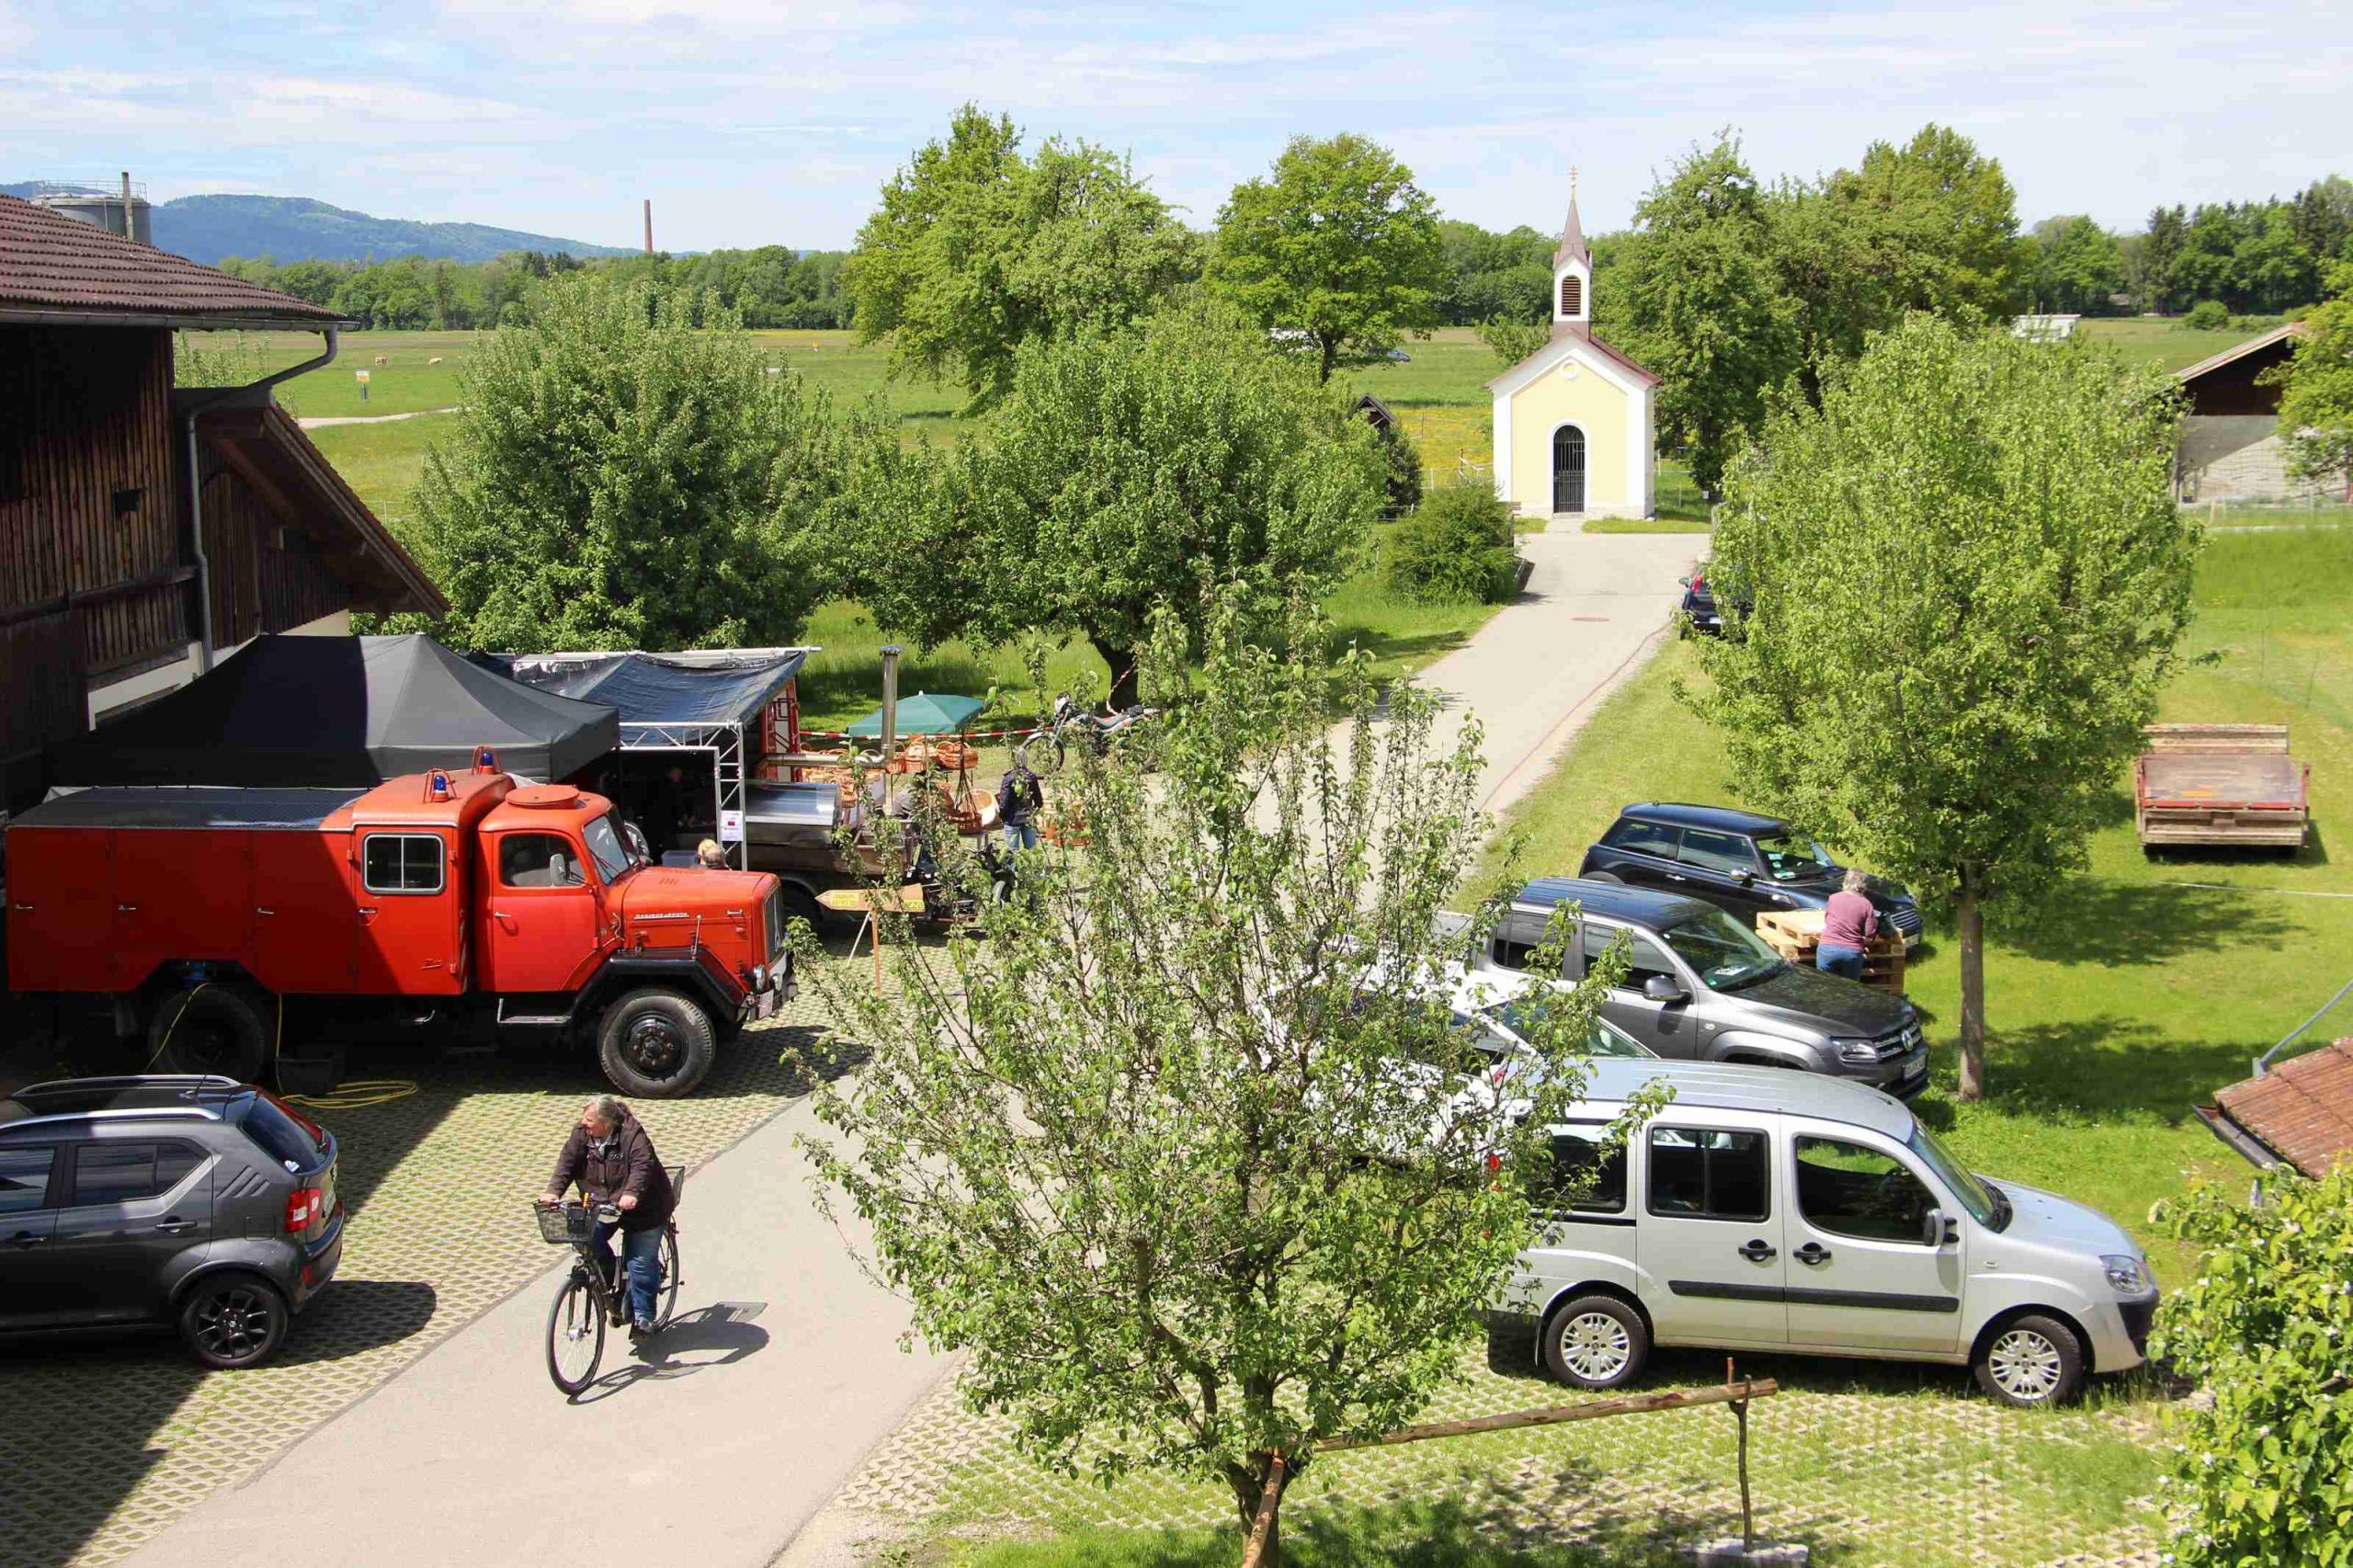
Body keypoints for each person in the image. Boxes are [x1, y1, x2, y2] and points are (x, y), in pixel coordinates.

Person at [537, 1096, 676, 1338]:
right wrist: (553, 1191)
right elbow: (567, 1162)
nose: (584, 1123)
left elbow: (642, 1165)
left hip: (645, 1207)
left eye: (590, 1120)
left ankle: (643, 1317)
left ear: (607, 1122)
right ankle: (610, 1278)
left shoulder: (632, 1134)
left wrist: (632, 1193)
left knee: (640, 1262)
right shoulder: (582, 1133)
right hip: (603, 1204)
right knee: (587, 1239)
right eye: (584, 1118)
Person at [1816, 868, 1879, 981]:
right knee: (1850, 987)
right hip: (1851, 951)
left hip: (1827, 948)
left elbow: (1827, 919)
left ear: (1846, 881)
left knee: (1825, 985)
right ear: (1863, 885)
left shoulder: (1833, 898)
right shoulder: (1866, 904)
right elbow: (1869, 934)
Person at [996, 760, 1044, 856]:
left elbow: (1004, 803)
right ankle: (1032, 866)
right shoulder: (1031, 776)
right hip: (1028, 818)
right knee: (1031, 851)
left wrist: (1003, 816)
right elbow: (1039, 801)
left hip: (1012, 820)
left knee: (1013, 853)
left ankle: (1015, 866)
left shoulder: (1008, 778)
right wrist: (1033, 812)